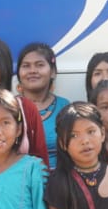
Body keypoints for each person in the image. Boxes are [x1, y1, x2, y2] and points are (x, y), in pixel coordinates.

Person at [16, 42, 72, 170]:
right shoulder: (10, 107)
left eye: (39, 65)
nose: (32, 71)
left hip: (59, 177)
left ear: (53, 72)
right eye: (26, 66)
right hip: (20, 177)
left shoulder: (64, 106)